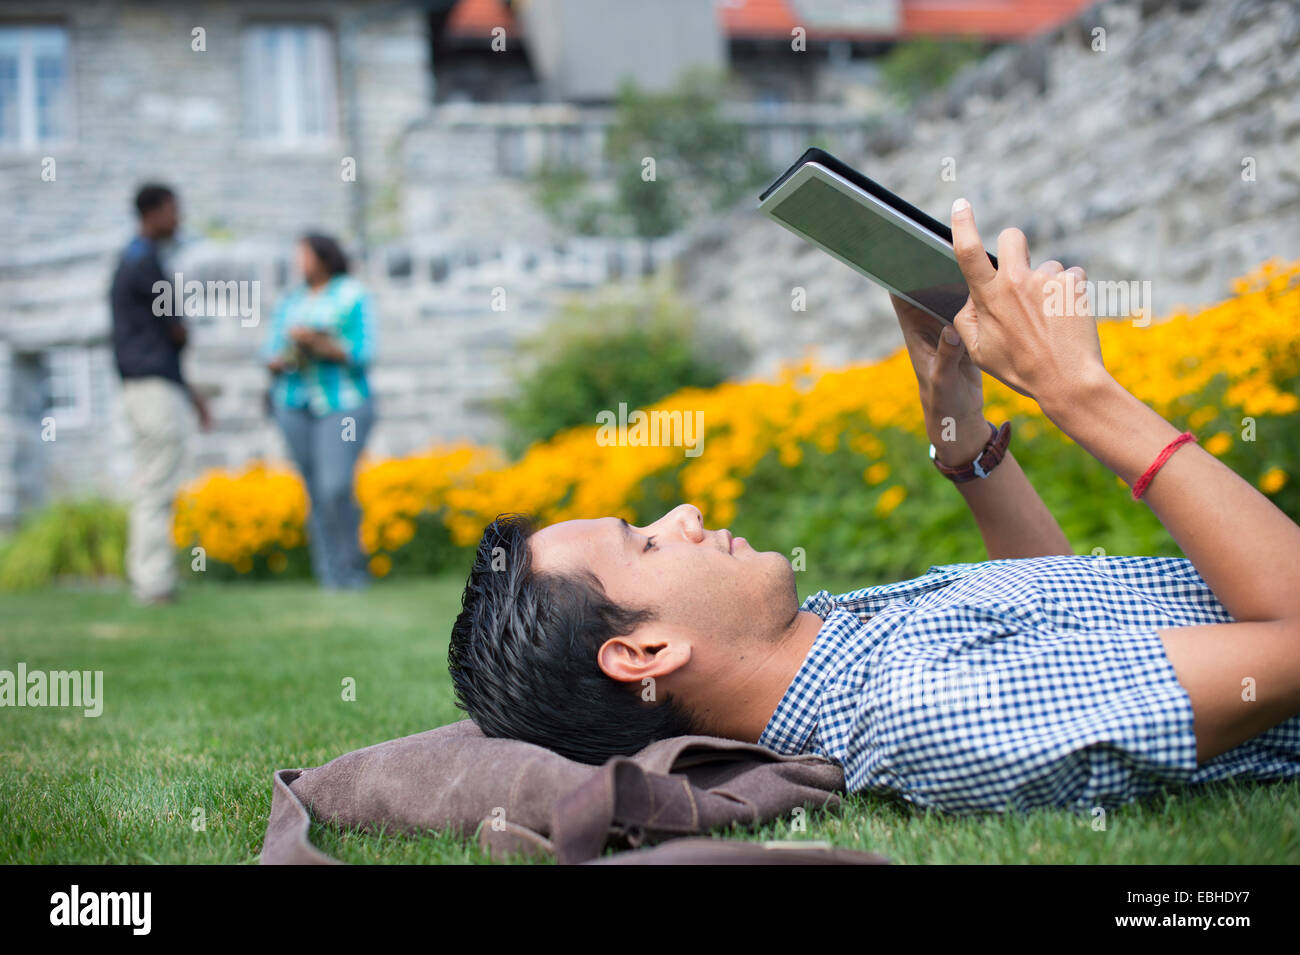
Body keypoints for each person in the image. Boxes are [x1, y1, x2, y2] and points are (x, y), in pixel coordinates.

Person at [448, 199, 1300, 813]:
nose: (682, 514)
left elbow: (1062, 615)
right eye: (643, 542)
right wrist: (1078, 393)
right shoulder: (924, 708)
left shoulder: (836, 648)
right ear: (644, 653)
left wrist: (967, 449)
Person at [110, 183, 211, 606]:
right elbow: (174, 330)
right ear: (151, 212)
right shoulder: (145, 262)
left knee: (150, 480)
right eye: (173, 210)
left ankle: (148, 577)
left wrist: (194, 397)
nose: (178, 219)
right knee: (157, 483)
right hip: (152, 389)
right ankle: (153, 582)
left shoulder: (131, 259)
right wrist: (183, 330)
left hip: (144, 386)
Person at [261, 233, 377, 590]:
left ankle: (353, 571)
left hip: (342, 405)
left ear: (324, 257)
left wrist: (320, 344)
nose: (300, 262)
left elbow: (363, 354)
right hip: (294, 405)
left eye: (305, 255)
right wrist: (285, 355)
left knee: (335, 486)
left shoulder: (351, 295)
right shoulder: (291, 300)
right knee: (314, 491)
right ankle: (330, 576)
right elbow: (269, 354)